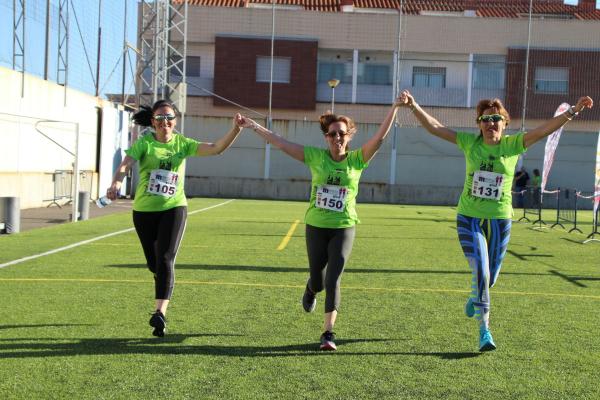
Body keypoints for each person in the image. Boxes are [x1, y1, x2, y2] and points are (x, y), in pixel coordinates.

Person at [398, 89, 593, 351]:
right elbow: (435, 127)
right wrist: (413, 106)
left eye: (496, 119)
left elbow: (544, 130)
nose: (491, 124)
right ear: (478, 124)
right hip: (469, 217)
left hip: (500, 219)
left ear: (505, 123)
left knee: (490, 278)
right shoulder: (470, 143)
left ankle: (474, 294)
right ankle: (484, 331)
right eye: (485, 119)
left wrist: (574, 110)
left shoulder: (513, 145)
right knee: (481, 268)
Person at [238, 99, 403, 350]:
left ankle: (328, 333)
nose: (337, 137)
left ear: (349, 136)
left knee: (334, 278)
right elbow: (281, 142)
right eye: (332, 134)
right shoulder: (315, 157)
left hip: (344, 226)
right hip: (316, 226)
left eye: (342, 133)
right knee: (318, 279)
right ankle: (310, 289)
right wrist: (254, 126)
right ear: (326, 137)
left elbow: (380, 138)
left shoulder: (357, 160)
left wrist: (394, 108)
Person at [104, 100, 245, 337]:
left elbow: (215, 148)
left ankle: (160, 313)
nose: (164, 123)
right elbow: (126, 164)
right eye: (159, 119)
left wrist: (235, 130)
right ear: (152, 122)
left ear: (175, 121)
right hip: (144, 212)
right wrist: (116, 181)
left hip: (174, 208)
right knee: (154, 264)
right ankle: (161, 289)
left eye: (169, 118)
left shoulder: (183, 144)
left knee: (166, 258)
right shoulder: (145, 143)